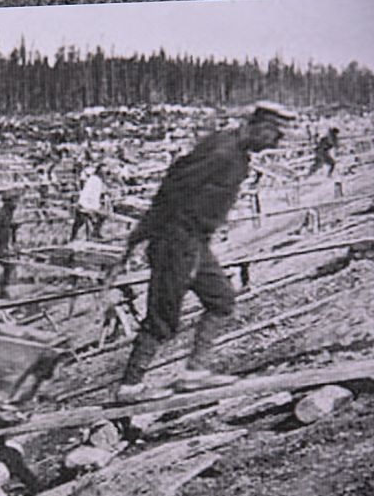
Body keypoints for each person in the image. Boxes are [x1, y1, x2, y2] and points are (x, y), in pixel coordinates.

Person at [111, 102, 295, 404]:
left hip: (195, 241)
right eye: (276, 135)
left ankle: (195, 372)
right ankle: (130, 387)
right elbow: (172, 189)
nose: (276, 143)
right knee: (163, 317)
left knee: (221, 300)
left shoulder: (236, 153)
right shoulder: (222, 152)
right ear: (262, 127)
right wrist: (140, 236)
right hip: (175, 241)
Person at [70, 163, 107, 241]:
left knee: (81, 222)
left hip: (88, 204)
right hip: (86, 204)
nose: (105, 174)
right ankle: (94, 234)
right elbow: (91, 195)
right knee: (100, 216)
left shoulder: (96, 180)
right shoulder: (94, 180)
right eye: (103, 172)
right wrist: (95, 207)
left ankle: (94, 233)